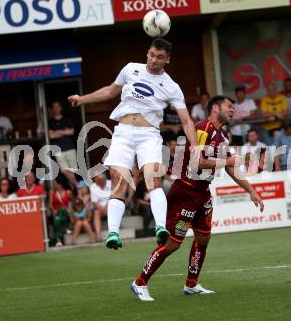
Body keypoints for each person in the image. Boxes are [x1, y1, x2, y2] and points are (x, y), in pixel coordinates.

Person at [130, 95, 264, 301]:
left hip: (202, 192)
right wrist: (227, 159)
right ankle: (140, 282)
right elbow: (196, 163)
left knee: (203, 237)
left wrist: (251, 191)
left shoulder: (223, 136)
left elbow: (230, 167)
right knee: (173, 243)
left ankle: (191, 284)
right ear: (215, 108)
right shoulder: (202, 128)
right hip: (185, 190)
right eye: (229, 107)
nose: (232, 111)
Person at [68, 38, 198, 249]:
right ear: (147, 53)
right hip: (123, 132)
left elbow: (186, 120)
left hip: (149, 134)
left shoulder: (172, 86)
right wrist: (82, 99)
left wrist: (196, 147)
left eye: (160, 57)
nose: (154, 60)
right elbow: (110, 91)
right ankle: (112, 233)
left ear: (168, 60)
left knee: (152, 178)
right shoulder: (130, 69)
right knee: (118, 179)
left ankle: (160, 228)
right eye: (152, 55)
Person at [48, 101, 78, 188]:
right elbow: (51, 135)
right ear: (52, 109)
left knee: (73, 171)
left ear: (61, 108)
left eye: (57, 107)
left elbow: (71, 131)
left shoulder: (67, 119)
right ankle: (77, 187)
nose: (56, 109)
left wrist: (57, 131)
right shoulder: (50, 122)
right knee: (65, 171)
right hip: (58, 150)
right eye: (54, 107)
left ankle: (73, 191)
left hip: (70, 148)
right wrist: (64, 131)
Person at [48, 175, 72, 246]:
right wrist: (53, 210)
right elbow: (50, 204)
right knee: (57, 220)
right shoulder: (52, 192)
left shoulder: (68, 192)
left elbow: (72, 203)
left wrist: (70, 210)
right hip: (56, 213)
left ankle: (59, 239)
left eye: (54, 183)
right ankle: (65, 230)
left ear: (59, 184)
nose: (53, 185)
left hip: (66, 213)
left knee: (62, 212)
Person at [89, 173, 111, 241]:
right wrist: (103, 209)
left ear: (103, 180)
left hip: (110, 205)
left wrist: (107, 207)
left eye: (97, 179)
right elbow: (95, 203)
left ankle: (113, 233)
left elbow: (113, 197)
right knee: (96, 213)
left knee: (113, 208)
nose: (95, 180)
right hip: (99, 208)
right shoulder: (93, 187)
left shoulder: (111, 183)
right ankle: (98, 236)